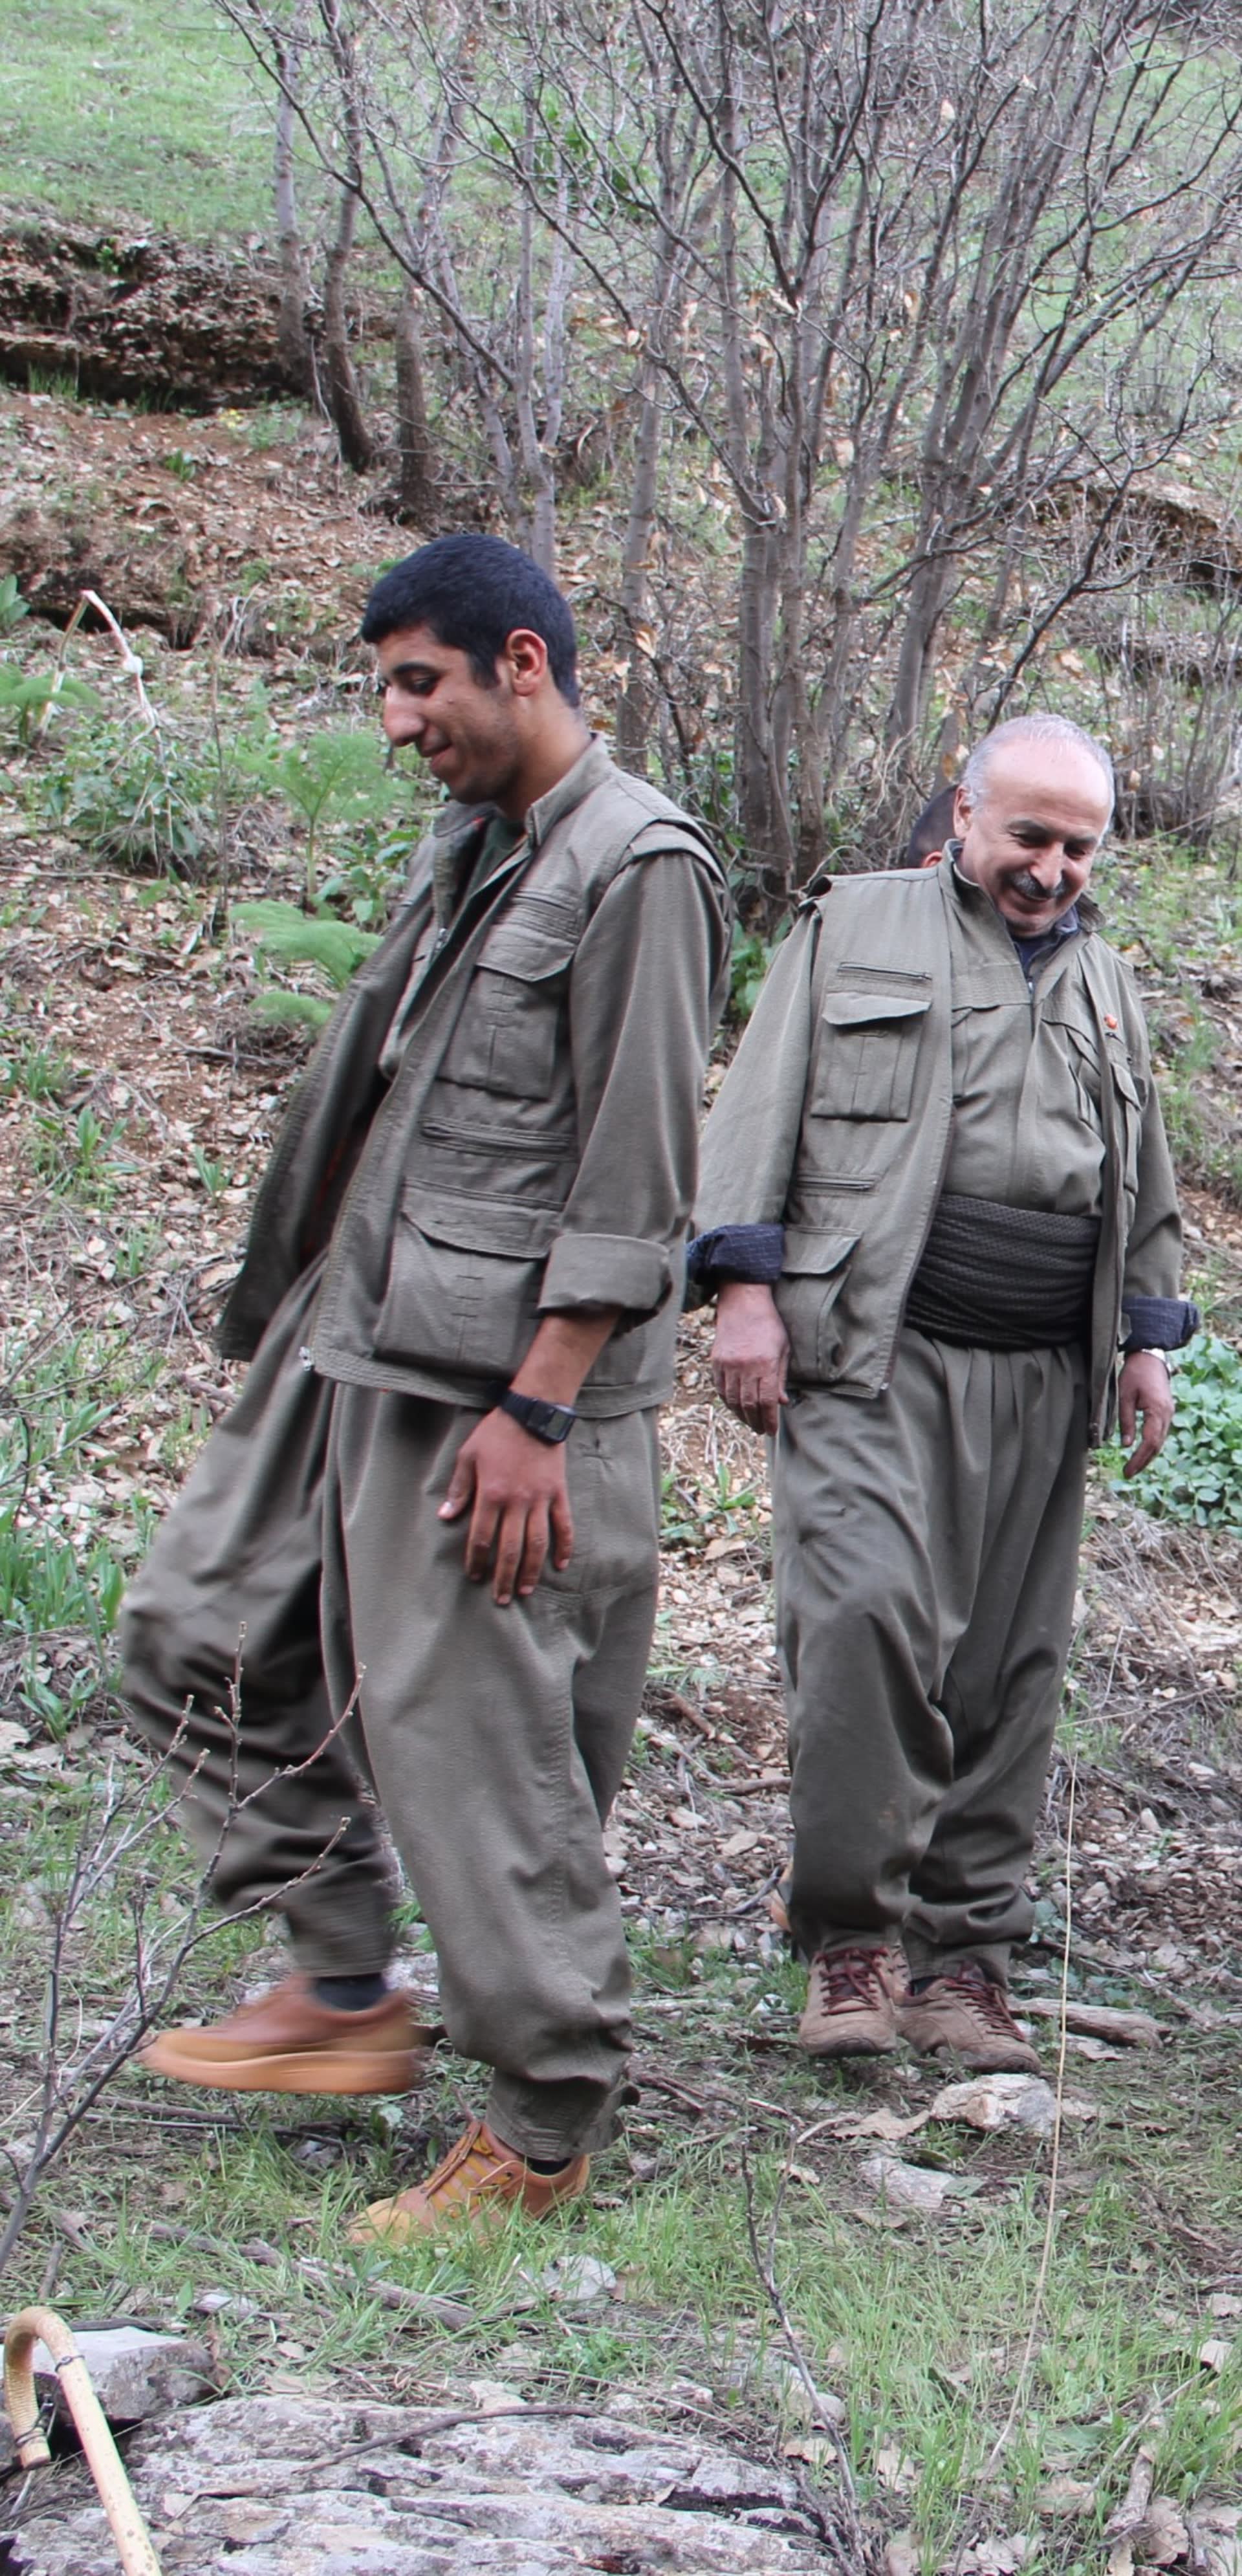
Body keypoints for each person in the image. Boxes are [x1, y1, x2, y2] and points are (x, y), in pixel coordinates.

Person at [120, 534, 731, 2236]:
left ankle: (540, 2127)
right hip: (354, 1330)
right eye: (386, 686)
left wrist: (540, 1408)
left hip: (493, 1388)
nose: (396, 722)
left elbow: (637, 1176)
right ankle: (340, 1985)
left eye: (419, 684)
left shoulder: (639, 864)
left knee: (472, 1747)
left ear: (521, 661)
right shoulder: (478, 843)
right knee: (194, 1628)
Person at [690, 714, 1195, 2071]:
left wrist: (1146, 1340)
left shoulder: (1107, 983)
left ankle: (965, 1963)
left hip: (1043, 1377)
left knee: (1009, 1669)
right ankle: (852, 1938)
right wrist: (742, 1285)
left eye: (1079, 846)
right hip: (872, 1348)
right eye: (1030, 834)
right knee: (863, 1619)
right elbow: (757, 1107)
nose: (1052, 867)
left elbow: (1141, 1179)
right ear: (965, 814)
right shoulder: (851, 925)